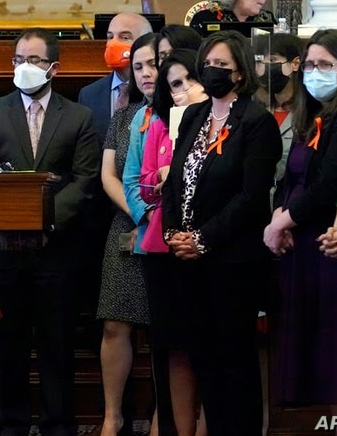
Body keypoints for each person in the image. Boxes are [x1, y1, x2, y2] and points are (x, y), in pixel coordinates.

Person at [163, 31, 281, 434]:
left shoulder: (256, 122)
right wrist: (172, 232)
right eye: (208, 65)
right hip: (188, 263)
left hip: (233, 261)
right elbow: (176, 181)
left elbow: (250, 198)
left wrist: (203, 239)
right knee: (204, 360)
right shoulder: (194, 116)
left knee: (235, 362)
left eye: (222, 67)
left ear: (240, 73)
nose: (212, 72)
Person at [0, 28, 99, 436]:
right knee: (8, 344)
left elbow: (85, 181)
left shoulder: (79, 116)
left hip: (57, 248)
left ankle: (59, 425)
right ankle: (10, 424)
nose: (25, 68)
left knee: (57, 344)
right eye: (19, 60)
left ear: (54, 67)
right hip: (5, 249)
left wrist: (45, 222)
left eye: (33, 61)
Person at [270, 29, 337, 433]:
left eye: (325, 65)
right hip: (299, 247)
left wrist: (285, 221)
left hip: (330, 246)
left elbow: (331, 182)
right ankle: (327, 427)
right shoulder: (308, 117)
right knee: (314, 367)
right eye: (308, 65)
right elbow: (291, 177)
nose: (314, 72)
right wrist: (278, 219)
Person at [138, 49, 207, 436]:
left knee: (209, 348)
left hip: (208, 246)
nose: (184, 91)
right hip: (164, 246)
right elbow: (146, 185)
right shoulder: (161, 125)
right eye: (175, 85)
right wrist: (163, 175)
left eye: (190, 80)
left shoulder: (224, 124)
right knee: (173, 348)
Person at [96, 33, 155, 436]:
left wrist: (156, 221)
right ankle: (111, 417)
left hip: (170, 230)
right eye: (138, 67)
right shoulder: (124, 116)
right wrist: (140, 214)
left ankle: (160, 417)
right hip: (127, 226)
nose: (147, 73)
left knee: (164, 328)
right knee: (116, 324)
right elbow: (107, 175)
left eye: (153, 64)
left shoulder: (185, 112)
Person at [79, 12, 154, 141]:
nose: (113, 44)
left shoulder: (154, 88)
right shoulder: (88, 95)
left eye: (124, 37)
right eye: (110, 37)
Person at [254, 32, 302, 190]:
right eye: (261, 61)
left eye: (273, 60)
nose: (265, 66)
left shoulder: (308, 112)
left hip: (291, 202)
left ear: (295, 64)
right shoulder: (257, 109)